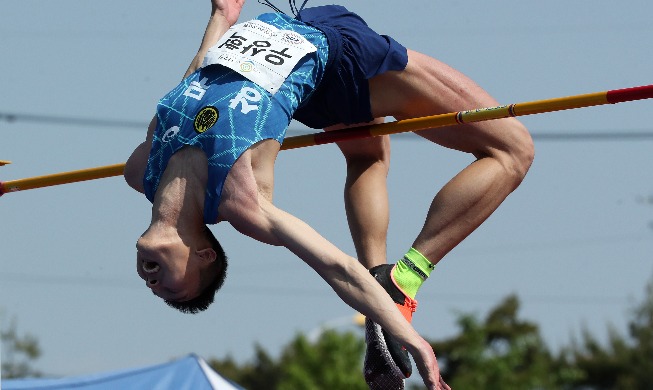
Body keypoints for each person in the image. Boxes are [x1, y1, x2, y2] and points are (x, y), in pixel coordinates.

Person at [123, 0, 533, 388]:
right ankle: (401, 279)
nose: (152, 284)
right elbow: (336, 268)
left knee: (368, 158)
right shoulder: (241, 202)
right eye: (171, 288)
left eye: (156, 289)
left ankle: (380, 276)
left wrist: (221, 17)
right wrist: (413, 339)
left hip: (308, 83)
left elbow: (194, 83)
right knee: (513, 150)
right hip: (341, 60)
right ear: (204, 254)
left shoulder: (142, 169)